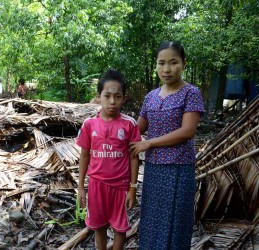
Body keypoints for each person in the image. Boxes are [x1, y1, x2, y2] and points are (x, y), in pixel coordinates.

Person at [129, 41, 205, 250]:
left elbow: (187, 131)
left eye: (173, 62)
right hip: (153, 169)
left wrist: (150, 142)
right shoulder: (151, 97)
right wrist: (109, 127)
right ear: (156, 64)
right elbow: (137, 129)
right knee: (153, 219)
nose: (166, 69)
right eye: (161, 63)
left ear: (184, 63)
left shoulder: (191, 93)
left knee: (175, 221)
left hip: (178, 168)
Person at [77, 69, 141, 250]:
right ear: (98, 97)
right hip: (96, 185)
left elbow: (134, 158)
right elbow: (84, 155)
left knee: (120, 228)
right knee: (99, 225)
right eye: (107, 96)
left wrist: (132, 188)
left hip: (120, 186)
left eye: (118, 96)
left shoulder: (129, 124)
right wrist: (81, 187)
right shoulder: (89, 124)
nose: (112, 101)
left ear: (124, 98)